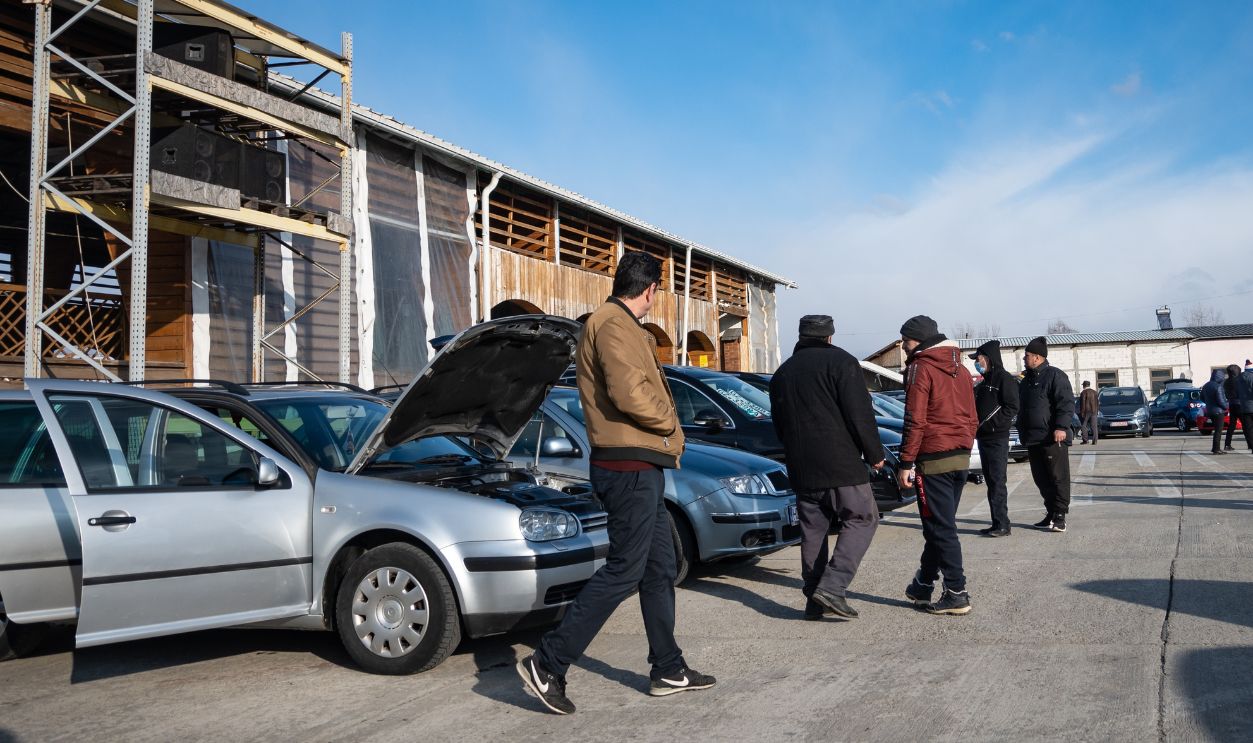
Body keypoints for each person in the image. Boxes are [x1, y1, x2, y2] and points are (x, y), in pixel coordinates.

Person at [517, 252, 714, 715]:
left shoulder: (621, 324)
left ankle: (667, 666)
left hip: (638, 464)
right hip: (627, 467)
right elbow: (630, 392)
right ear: (649, 290)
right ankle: (548, 662)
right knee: (626, 569)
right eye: (656, 291)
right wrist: (670, 423)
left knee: (660, 566)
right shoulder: (611, 323)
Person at [770, 314, 885, 620]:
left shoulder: (783, 373)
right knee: (863, 518)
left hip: (801, 467)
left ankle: (813, 601)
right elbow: (860, 415)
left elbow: (779, 425)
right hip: (841, 464)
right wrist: (875, 453)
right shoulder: (842, 363)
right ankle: (833, 587)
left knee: (813, 531)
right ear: (830, 337)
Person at [896, 315, 979, 616]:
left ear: (916, 340)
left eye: (905, 340)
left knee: (941, 527)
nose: (903, 346)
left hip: (934, 459)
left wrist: (906, 461)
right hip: (960, 456)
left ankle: (957, 591)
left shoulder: (921, 366)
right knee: (939, 525)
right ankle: (923, 583)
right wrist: (966, 443)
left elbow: (915, 419)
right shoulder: (962, 368)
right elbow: (973, 414)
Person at [1017, 337, 1076, 532]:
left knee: (1057, 477)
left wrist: (1061, 427)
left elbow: (1065, 403)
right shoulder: (1026, 381)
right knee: (1041, 479)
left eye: (1027, 356)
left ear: (1037, 357)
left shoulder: (1055, 376)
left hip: (1052, 437)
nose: (1024, 359)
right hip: (1033, 438)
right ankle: (1050, 512)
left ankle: (1060, 516)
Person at [970, 340, 1019, 537]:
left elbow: (1012, 407)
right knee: (990, 481)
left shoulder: (1004, 379)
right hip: (983, 438)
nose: (976, 362)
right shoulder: (984, 382)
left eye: (979, 359)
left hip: (997, 437)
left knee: (998, 481)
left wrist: (992, 424)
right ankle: (996, 521)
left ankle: (1003, 525)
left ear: (988, 359)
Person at [1201, 368, 1229, 455]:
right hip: (1218, 412)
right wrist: (1226, 407)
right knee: (1218, 431)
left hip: (1209, 410)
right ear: (1220, 377)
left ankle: (1215, 448)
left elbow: (1201, 398)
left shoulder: (1206, 385)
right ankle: (1216, 449)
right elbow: (1221, 401)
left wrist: (1209, 404)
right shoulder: (1218, 386)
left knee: (1216, 430)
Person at [1223, 364, 1243, 451]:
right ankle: (1251, 444)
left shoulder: (1226, 382)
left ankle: (1227, 444)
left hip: (1231, 404)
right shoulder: (1239, 381)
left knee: (1231, 425)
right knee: (1247, 425)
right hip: (1240, 404)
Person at [1078, 381, 1100, 446]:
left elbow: (1082, 403)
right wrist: (1097, 411)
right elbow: (1097, 403)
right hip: (1094, 411)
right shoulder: (1095, 392)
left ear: (1084, 385)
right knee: (1094, 426)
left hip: (1086, 412)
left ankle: (1085, 440)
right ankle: (1095, 441)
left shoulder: (1083, 393)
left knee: (1083, 425)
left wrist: (1082, 412)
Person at [1239, 363, 1253, 451]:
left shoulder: (1238, 379)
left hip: (1244, 407)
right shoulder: (1252, 377)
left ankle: (1251, 446)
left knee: (1248, 429)